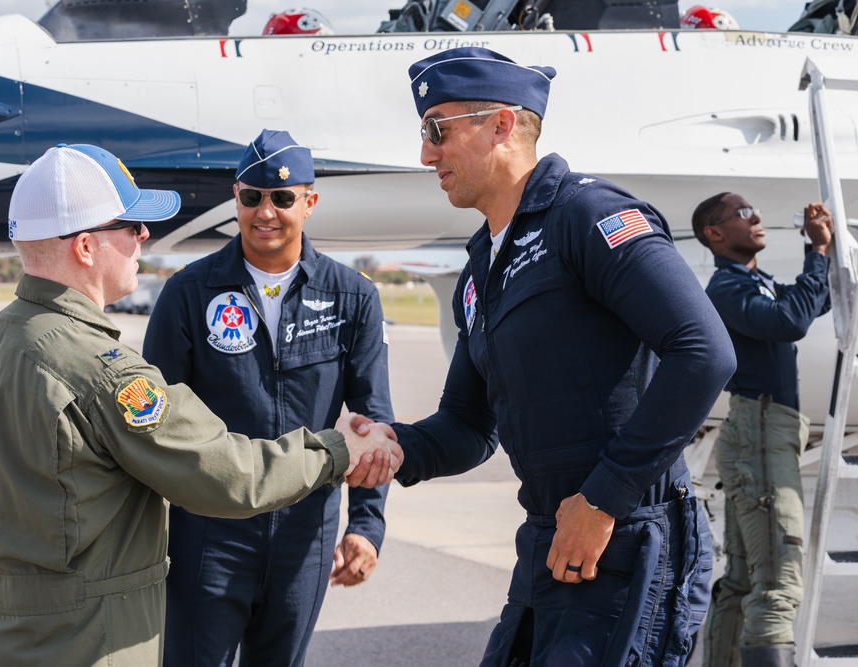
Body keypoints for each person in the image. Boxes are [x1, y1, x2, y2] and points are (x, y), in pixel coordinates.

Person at [0, 142, 400, 666]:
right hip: (82, 643)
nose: (144, 238)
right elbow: (227, 474)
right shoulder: (102, 371)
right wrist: (340, 449)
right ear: (86, 247)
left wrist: (365, 523)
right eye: (131, 226)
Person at [356, 46, 737, 665]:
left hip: (625, 532)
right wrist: (391, 446)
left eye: (436, 130)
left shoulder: (590, 216)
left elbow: (703, 352)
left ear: (501, 125)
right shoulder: (483, 264)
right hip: (550, 537)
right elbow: (468, 424)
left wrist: (603, 499)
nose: (426, 153)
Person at [143, 129, 393, 667]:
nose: (266, 212)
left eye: (282, 198)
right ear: (235, 196)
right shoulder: (189, 293)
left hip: (306, 535)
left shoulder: (353, 296)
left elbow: (373, 423)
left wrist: (367, 526)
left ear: (309, 202)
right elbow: (152, 427)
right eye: (252, 196)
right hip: (211, 532)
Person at [693, 194, 833, 667]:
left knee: (744, 581)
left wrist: (829, 252)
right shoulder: (727, 288)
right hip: (760, 433)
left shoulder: (754, 283)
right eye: (743, 213)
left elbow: (807, 303)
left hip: (764, 432)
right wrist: (815, 254)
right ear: (714, 233)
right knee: (779, 579)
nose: (757, 218)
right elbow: (790, 321)